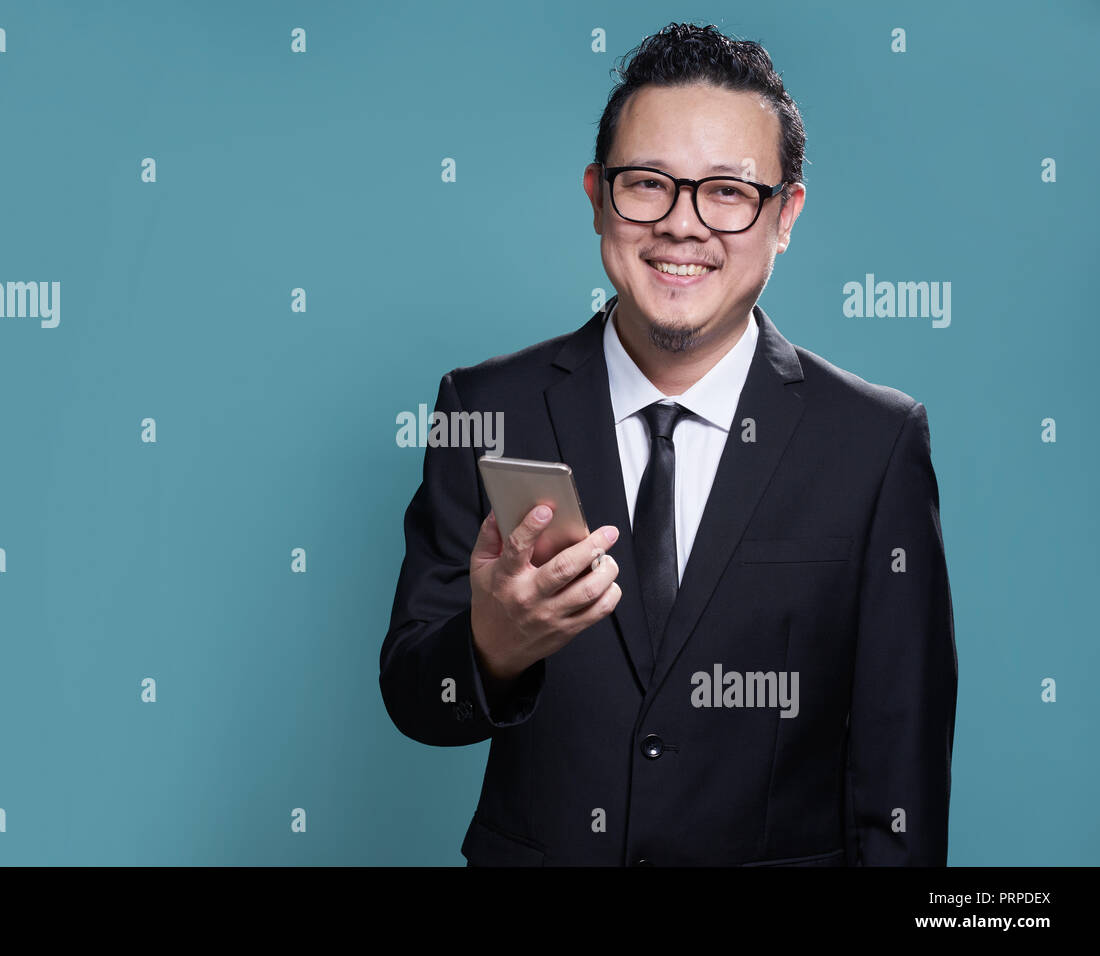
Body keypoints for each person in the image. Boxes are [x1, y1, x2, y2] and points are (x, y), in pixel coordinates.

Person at [379, 22, 957, 866]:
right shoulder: (486, 408)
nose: (683, 226)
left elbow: (900, 775)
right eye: (647, 184)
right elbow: (412, 699)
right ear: (597, 196)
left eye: (727, 191)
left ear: (785, 214)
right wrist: (492, 647)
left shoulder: (875, 444)